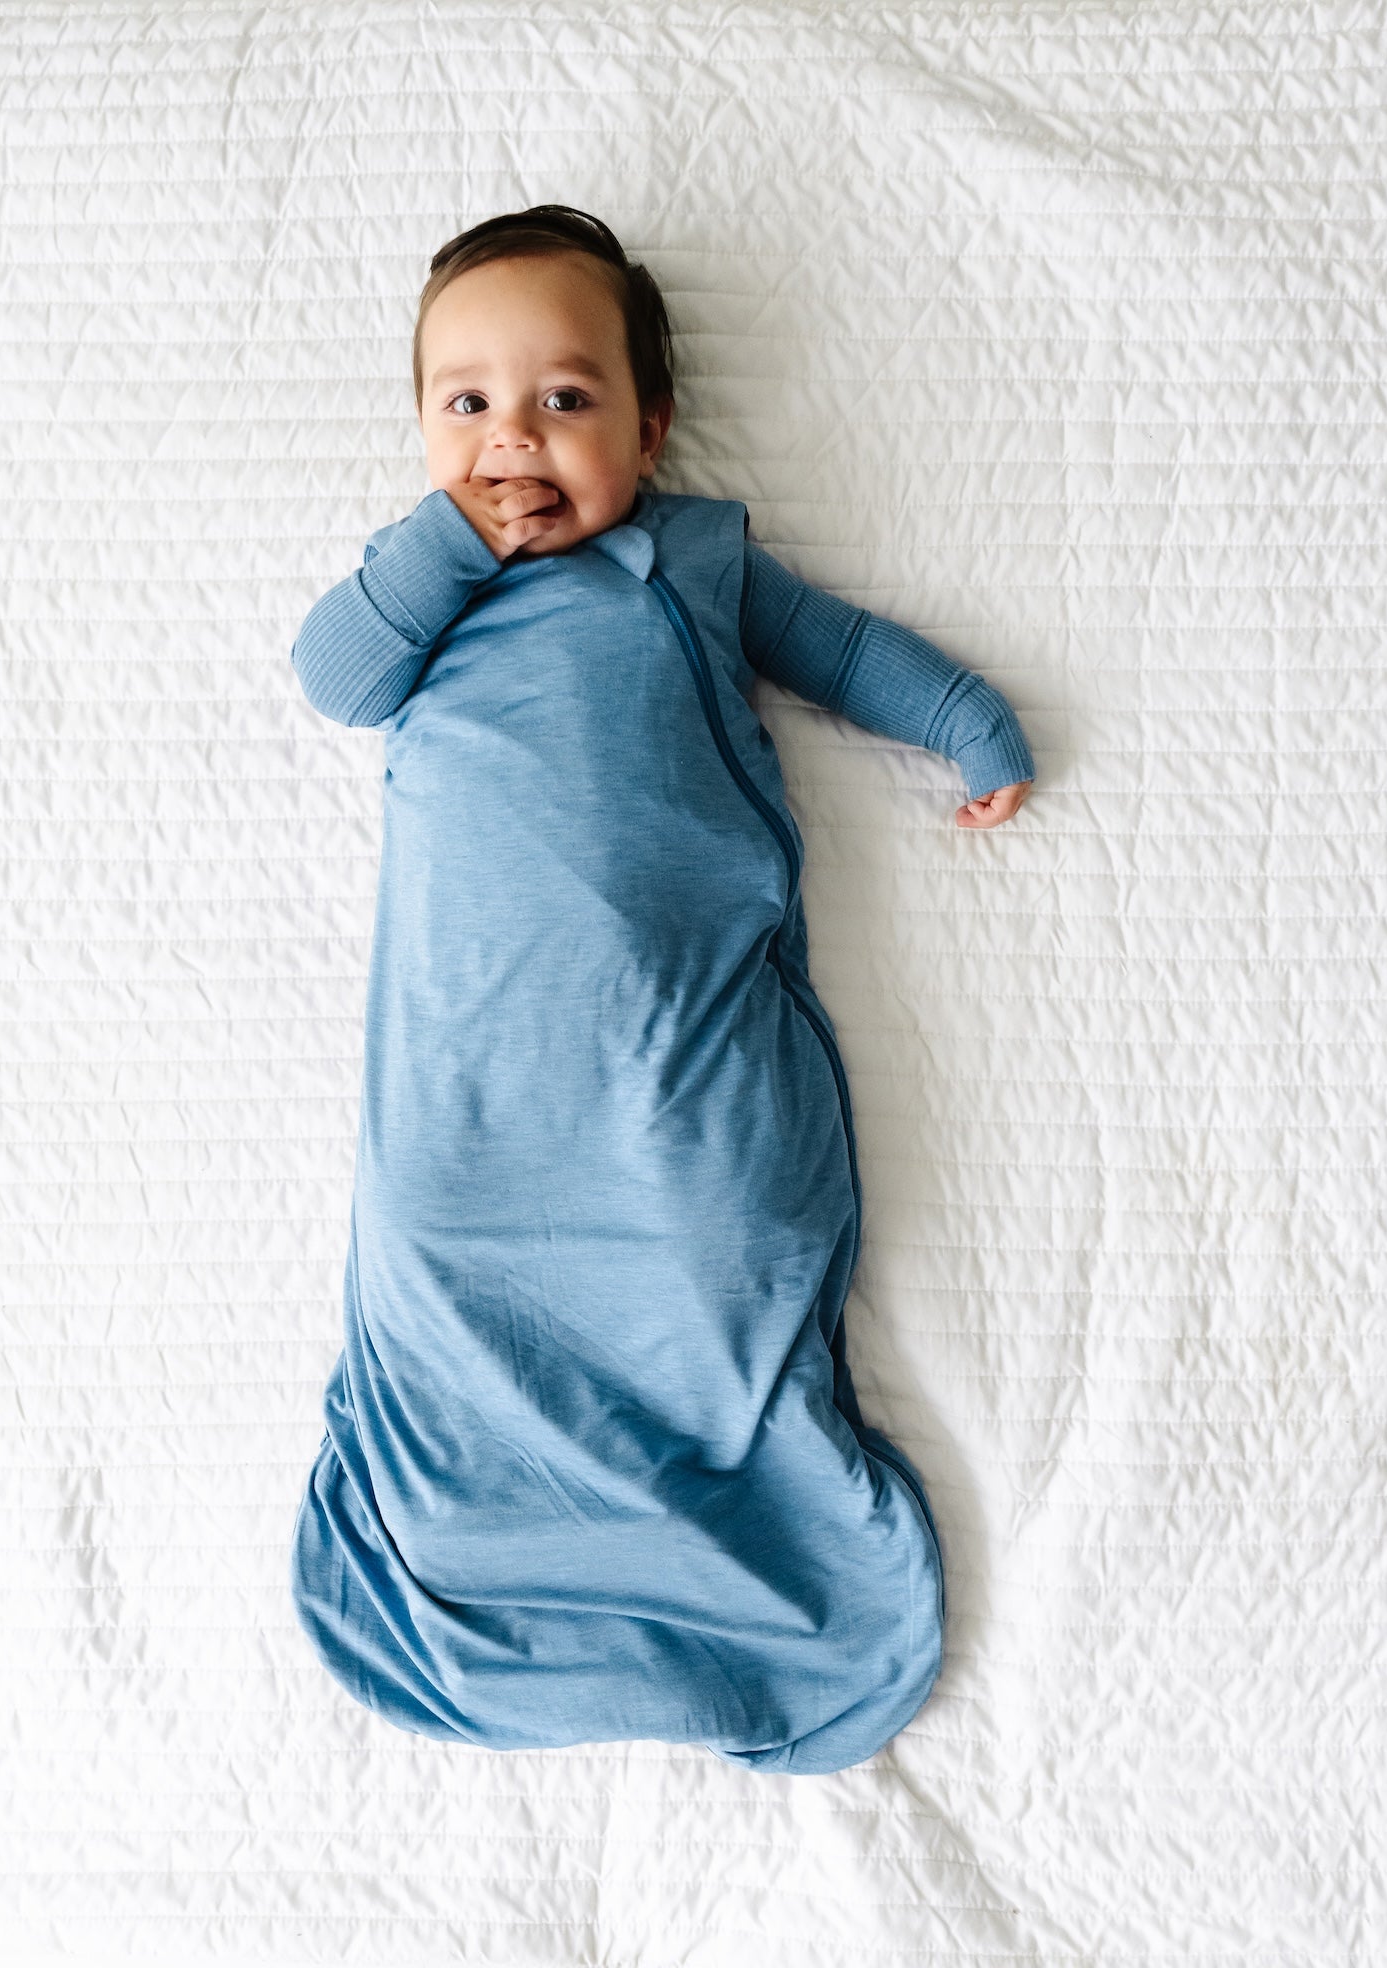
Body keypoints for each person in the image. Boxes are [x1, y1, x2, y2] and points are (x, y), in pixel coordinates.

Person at [287, 204, 1034, 1774]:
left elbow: (848, 657)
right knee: (436, 1267)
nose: (513, 442)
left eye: (566, 399)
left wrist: (966, 718)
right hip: (470, 1081)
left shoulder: (699, 561)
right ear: (420, 431)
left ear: (650, 428)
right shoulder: (417, 594)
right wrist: (443, 546)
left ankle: (745, 1546)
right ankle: (491, 1537)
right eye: (467, 404)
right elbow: (330, 680)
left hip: (677, 1047)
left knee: (726, 1242)